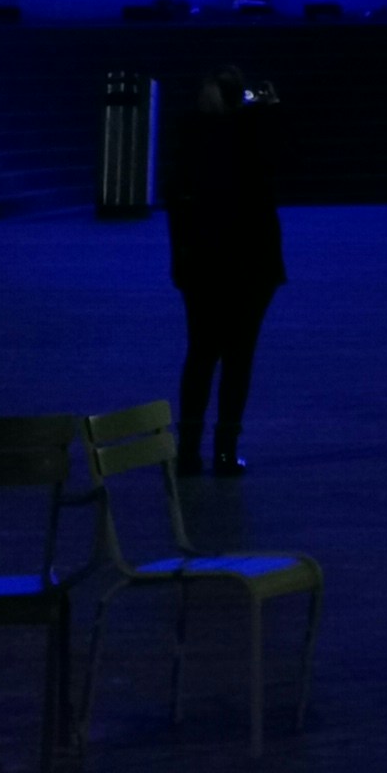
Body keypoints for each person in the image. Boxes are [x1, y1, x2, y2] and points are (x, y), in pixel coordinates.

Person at [166, 65, 286, 477]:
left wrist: (180, 263)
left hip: (200, 264)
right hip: (251, 264)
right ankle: (225, 449)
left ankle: (187, 450)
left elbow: (176, 205)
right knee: (238, 358)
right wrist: (267, 110)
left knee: (201, 354)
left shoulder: (189, 136)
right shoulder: (251, 134)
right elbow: (277, 164)